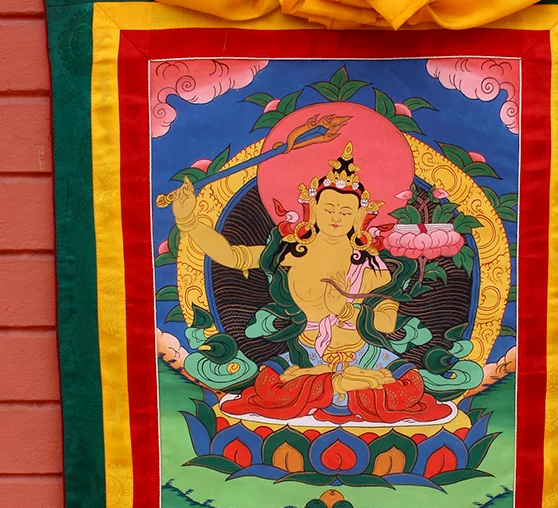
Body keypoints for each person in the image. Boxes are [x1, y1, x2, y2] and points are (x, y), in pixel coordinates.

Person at [172, 142, 450, 424]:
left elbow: (387, 323)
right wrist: (188, 222)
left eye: (346, 211)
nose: (336, 217)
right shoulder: (291, 251)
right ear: (313, 208)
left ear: (359, 216)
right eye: (329, 208)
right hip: (306, 354)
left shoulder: (371, 264)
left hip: (363, 354)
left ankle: (330, 383)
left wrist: (345, 311)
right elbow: (235, 256)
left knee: (412, 387)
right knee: (266, 387)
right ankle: (341, 383)